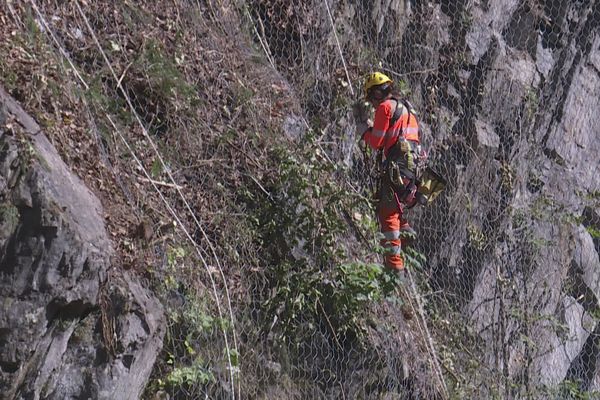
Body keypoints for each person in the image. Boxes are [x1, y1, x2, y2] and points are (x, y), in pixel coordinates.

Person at [354, 72, 424, 271]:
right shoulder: (407, 109)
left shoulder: (385, 107)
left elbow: (376, 142)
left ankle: (395, 268)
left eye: (372, 99)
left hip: (399, 165)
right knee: (392, 204)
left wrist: (363, 130)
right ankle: (406, 229)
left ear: (376, 94)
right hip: (414, 167)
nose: (373, 105)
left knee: (387, 212)